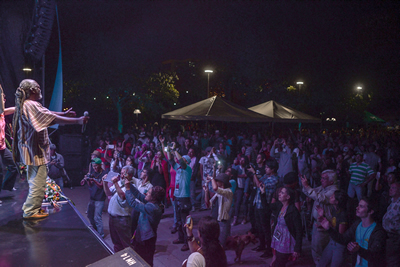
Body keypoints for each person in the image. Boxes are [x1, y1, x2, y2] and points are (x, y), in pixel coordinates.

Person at [11, 79, 88, 220]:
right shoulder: (31, 104)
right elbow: (49, 117)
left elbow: (46, 113)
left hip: (30, 150)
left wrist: (63, 114)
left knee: (35, 180)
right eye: (38, 87)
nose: (40, 89)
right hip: (35, 151)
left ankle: (30, 207)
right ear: (32, 90)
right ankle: (30, 210)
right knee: (38, 182)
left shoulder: (27, 104)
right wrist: (77, 121)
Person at [320, 196, 386, 267]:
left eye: (361, 206)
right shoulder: (357, 224)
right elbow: (343, 239)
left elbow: (375, 256)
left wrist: (358, 249)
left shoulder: (378, 232)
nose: (357, 208)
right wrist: (328, 229)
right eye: (358, 205)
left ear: (371, 211)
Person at [301, 169, 338, 265]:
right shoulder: (322, 187)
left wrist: (307, 187)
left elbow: (321, 198)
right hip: (317, 222)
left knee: (319, 248)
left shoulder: (334, 190)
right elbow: (309, 192)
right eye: (321, 178)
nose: (321, 180)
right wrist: (306, 185)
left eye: (324, 178)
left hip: (324, 224)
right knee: (315, 247)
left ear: (331, 181)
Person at [125, 181, 165, 267]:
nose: (146, 193)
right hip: (143, 237)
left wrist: (127, 189)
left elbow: (133, 203)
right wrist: (129, 183)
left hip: (146, 240)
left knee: (145, 262)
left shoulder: (153, 208)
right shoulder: (153, 203)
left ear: (153, 197)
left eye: (149, 193)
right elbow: (138, 195)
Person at [248, 158, 279, 258]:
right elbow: (256, 183)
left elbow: (259, 184)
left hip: (265, 206)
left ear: (273, 169)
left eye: (267, 167)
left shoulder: (274, 179)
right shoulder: (266, 176)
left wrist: (254, 174)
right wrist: (254, 174)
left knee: (266, 229)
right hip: (258, 204)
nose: (265, 169)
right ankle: (261, 245)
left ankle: (269, 250)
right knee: (259, 227)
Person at [167, 142, 192, 251]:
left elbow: (180, 160)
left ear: (187, 161)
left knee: (184, 221)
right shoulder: (178, 168)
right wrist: (169, 150)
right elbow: (170, 160)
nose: (178, 161)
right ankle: (181, 238)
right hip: (177, 195)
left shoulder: (187, 169)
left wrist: (175, 150)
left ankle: (187, 242)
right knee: (179, 221)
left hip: (184, 197)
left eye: (182, 160)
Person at [102, 165, 133, 252]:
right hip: (113, 218)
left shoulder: (131, 186)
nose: (121, 175)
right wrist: (105, 183)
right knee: (116, 243)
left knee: (126, 244)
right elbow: (108, 193)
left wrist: (115, 183)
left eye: (124, 174)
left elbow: (123, 196)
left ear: (130, 175)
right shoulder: (120, 183)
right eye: (121, 173)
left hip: (122, 219)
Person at [270, 187, 302, 267]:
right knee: (277, 261)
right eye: (280, 192)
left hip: (286, 241)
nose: (279, 194)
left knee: (280, 263)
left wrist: (297, 248)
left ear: (288, 197)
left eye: (282, 193)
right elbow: (267, 208)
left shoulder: (293, 210)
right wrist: (263, 193)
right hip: (278, 238)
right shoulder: (280, 205)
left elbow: (299, 230)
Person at [316, 190, 348, 267]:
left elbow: (340, 236)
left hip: (339, 245)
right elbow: (334, 226)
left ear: (337, 202)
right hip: (332, 242)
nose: (330, 197)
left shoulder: (343, 215)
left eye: (333, 197)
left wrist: (328, 228)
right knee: (321, 264)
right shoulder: (334, 210)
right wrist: (324, 220)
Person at [204, 172, 233, 249]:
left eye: (217, 181)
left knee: (220, 246)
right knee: (214, 245)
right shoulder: (218, 194)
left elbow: (215, 188)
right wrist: (206, 192)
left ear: (222, 182)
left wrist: (211, 178)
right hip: (215, 221)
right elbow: (208, 204)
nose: (216, 182)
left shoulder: (228, 192)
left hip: (222, 222)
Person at [81, 158, 107, 237]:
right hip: (93, 197)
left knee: (97, 217)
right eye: (93, 166)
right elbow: (90, 185)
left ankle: (101, 234)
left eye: (96, 166)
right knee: (89, 215)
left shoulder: (104, 174)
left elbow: (100, 186)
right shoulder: (93, 172)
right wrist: (88, 180)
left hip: (100, 198)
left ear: (100, 165)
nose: (94, 168)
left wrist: (94, 179)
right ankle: (95, 230)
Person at [0, 89, 18, 199]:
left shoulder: (2, 113)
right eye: (3, 99)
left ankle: (6, 187)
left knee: (13, 165)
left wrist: (21, 107)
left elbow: (13, 109)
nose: (4, 100)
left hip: (2, 147)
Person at [382, 181, 400, 267]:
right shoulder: (392, 201)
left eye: (393, 188)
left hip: (395, 237)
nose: (390, 189)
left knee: (393, 262)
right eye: (390, 187)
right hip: (388, 236)